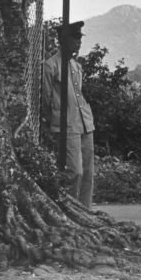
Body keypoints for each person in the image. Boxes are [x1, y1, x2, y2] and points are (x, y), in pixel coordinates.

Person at [41, 21, 95, 208]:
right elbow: (45, 99)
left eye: (80, 38)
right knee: (75, 171)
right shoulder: (51, 66)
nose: (79, 42)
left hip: (85, 122)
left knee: (88, 172)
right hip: (66, 124)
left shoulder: (76, 66)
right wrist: (52, 121)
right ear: (64, 40)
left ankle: (85, 210)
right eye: (75, 38)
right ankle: (70, 209)